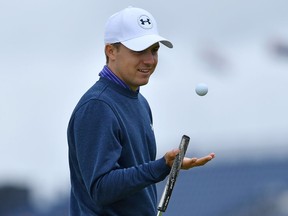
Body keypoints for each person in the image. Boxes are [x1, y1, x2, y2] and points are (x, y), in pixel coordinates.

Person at [67, 6, 215, 216]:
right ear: (111, 51)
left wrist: (167, 166)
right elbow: (101, 188)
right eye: (139, 51)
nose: (150, 60)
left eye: (154, 50)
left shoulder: (140, 102)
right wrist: (161, 166)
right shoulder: (97, 106)